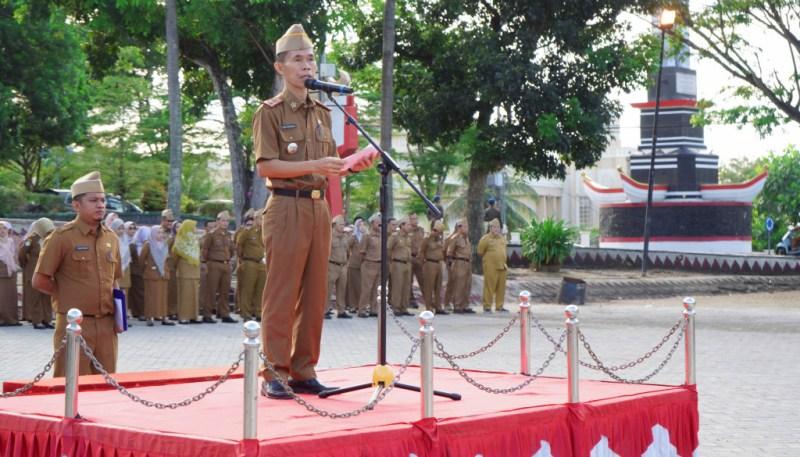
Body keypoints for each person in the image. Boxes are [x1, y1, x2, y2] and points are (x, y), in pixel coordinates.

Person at [252, 23, 375, 399]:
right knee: (282, 293)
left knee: (315, 293)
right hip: (286, 206)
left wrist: (350, 165)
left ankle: (303, 370)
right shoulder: (270, 112)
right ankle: (275, 372)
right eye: (297, 60)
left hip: (319, 208)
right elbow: (266, 166)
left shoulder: (323, 111)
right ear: (280, 67)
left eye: (309, 59)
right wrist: (315, 166)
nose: (307, 66)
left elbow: (328, 166)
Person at [33, 171, 122, 376]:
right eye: (93, 200)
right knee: (71, 382)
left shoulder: (111, 238)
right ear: (76, 205)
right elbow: (40, 280)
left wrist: (119, 317)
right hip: (74, 325)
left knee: (106, 384)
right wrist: (67, 295)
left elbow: (115, 281)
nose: (100, 205)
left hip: (107, 325)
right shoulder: (61, 237)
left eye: (102, 200)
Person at [19, 218, 55, 329]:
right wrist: (27, 266)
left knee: (47, 296)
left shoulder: (52, 238)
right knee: (35, 297)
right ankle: (37, 320)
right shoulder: (31, 239)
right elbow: (22, 254)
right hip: (34, 271)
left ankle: (47, 320)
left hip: (47, 272)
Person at [201, 211, 237, 323]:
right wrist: (207, 262)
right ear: (217, 221)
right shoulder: (211, 234)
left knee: (225, 291)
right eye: (223, 220)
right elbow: (205, 250)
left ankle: (224, 314)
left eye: (227, 221)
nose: (225, 223)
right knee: (211, 290)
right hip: (214, 264)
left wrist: (228, 259)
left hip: (226, 264)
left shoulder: (228, 235)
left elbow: (232, 250)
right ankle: (207, 314)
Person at [235, 209, 266, 322]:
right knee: (247, 289)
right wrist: (242, 259)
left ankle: (258, 312)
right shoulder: (247, 231)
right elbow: (239, 245)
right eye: (261, 219)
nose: (262, 221)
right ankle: (246, 313)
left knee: (260, 289)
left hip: (261, 263)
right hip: (249, 262)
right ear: (256, 219)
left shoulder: (264, 232)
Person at [140, 226, 174, 326]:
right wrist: (147, 270)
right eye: (158, 232)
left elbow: (168, 259)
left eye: (162, 232)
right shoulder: (148, 244)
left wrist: (166, 270)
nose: (161, 235)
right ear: (153, 233)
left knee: (163, 297)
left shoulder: (165, 244)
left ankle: (164, 317)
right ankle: (150, 317)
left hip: (163, 275)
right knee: (151, 297)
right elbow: (141, 260)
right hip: (152, 275)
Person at [173, 219, 202, 324]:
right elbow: (175, 257)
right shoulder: (180, 240)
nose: (195, 228)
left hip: (194, 271)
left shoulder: (195, 240)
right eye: (193, 226)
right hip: (184, 271)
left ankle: (193, 316)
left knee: (194, 294)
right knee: (184, 294)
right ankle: (183, 316)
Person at [477, 218, 508, 313]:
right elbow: (480, 252)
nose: (496, 229)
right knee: (489, 286)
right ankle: (487, 306)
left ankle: (499, 306)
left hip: (502, 266)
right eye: (494, 227)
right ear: (490, 228)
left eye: (498, 227)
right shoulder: (485, 239)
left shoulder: (502, 238)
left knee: (501, 287)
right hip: (491, 267)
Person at [326, 215, 351, 319]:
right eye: (340, 224)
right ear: (334, 225)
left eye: (343, 224)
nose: (342, 226)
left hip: (343, 266)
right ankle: (325, 310)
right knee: (328, 289)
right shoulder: (329, 236)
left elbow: (348, 252)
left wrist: (347, 263)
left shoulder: (345, 237)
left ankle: (341, 311)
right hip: (332, 265)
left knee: (342, 289)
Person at [447, 220, 475, 313]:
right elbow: (449, 252)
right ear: (459, 227)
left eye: (467, 227)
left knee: (467, 285)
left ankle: (465, 305)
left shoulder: (466, 238)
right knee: (459, 285)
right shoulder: (455, 238)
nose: (467, 229)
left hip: (467, 263)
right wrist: (451, 265)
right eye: (465, 227)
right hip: (459, 262)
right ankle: (457, 306)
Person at [357, 214, 382, 318]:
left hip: (379, 265)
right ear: (372, 224)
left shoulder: (382, 236)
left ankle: (373, 309)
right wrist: (367, 261)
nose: (380, 224)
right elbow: (361, 252)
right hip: (369, 264)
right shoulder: (367, 236)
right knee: (366, 289)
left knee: (377, 289)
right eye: (378, 223)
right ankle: (362, 310)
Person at [420, 220, 447, 314]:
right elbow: (421, 252)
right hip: (430, 263)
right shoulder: (427, 239)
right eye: (437, 231)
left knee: (438, 287)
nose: (439, 234)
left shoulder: (440, 239)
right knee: (429, 287)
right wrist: (423, 264)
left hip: (439, 263)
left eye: (440, 232)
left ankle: (438, 306)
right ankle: (428, 307)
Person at [388, 218, 413, 316]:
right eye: (408, 225)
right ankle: (396, 307)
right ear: (402, 226)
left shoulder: (408, 237)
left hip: (407, 263)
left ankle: (404, 307)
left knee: (406, 286)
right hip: (397, 263)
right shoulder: (395, 236)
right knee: (397, 286)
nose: (410, 227)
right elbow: (388, 249)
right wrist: (391, 261)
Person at [0, 221, 21, 326]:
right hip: (1, 273)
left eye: (4, 228)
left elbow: (14, 257)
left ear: (8, 230)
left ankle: (12, 319)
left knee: (11, 297)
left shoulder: (11, 242)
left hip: (11, 272)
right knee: (2, 297)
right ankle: (2, 319)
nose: (2, 231)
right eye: (0, 228)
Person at [198, 220, 217, 323]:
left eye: (214, 227)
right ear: (205, 228)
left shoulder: (216, 237)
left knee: (211, 291)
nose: (212, 229)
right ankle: (200, 311)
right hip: (204, 265)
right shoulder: (202, 239)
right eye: (210, 227)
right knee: (203, 291)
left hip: (213, 266)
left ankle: (208, 313)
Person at [129, 225, 149, 320]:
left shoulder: (146, 244)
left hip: (141, 271)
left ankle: (140, 312)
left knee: (140, 292)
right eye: (130, 228)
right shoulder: (131, 243)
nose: (133, 230)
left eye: (134, 228)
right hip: (133, 271)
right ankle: (135, 312)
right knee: (133, 292)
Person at [345, 216, 364, 313]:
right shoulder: (354, 237)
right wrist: (350, 256)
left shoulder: (366, 237)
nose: (362, 226)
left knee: (361, 286)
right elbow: (347, 246)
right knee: (353, 286)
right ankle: (352, 305)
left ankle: (361, 305)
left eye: (363, 224)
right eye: (360, 225)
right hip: (354, 264)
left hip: (363, 265)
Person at [407, 213, 425, 308]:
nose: (415, 220)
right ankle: (411, 300)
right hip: (410, 257)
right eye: (413, 219)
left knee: (423, 279)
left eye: (416, 218)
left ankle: (428, 300)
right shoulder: (407, 231)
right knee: (408, 281)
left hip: (419, 258)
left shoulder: (421, 230)